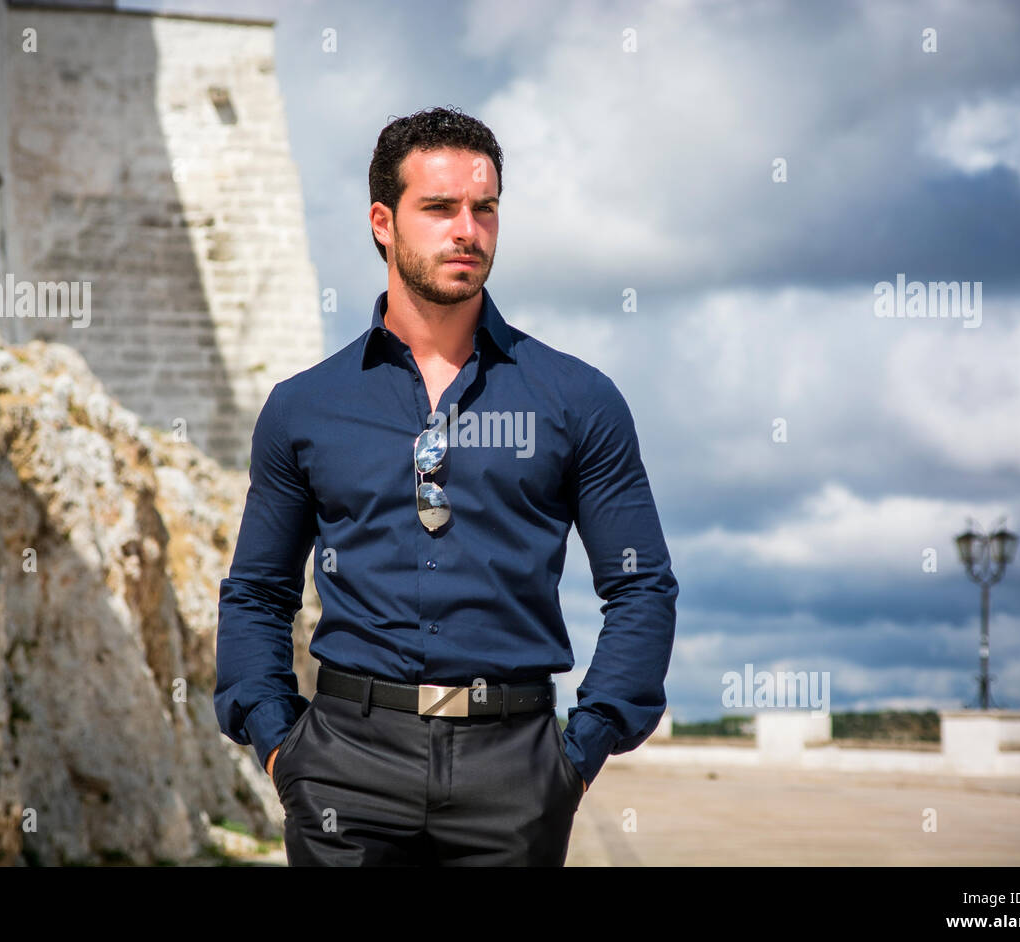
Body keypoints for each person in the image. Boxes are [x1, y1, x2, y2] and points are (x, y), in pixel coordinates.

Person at [214, 106, 678, 866]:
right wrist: (279, 745)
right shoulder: (304, 407)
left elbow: (642, 587)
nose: (467, 229)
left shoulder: (579, 400)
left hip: (515, 775)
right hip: (345, 767)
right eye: (438, 208)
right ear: (382, 223)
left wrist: (578, 755)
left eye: (484, 208)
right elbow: (258, 591)